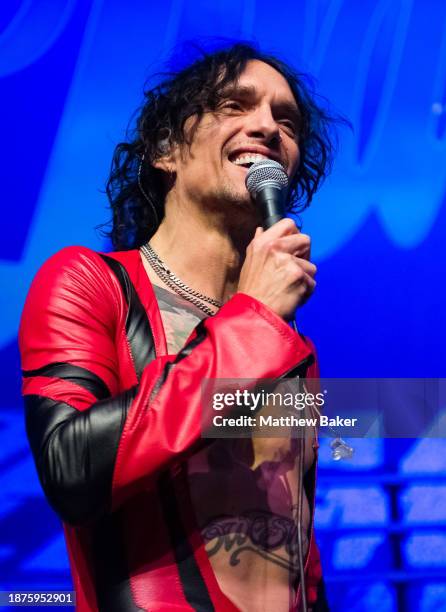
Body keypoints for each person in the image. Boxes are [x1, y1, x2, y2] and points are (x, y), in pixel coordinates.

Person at [19, 43, 336, 611]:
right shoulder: (88, 284)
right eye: (235, 106)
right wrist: (255, 321)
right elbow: (71, 471)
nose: (266, 126)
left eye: (285, 120)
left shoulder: (292, 347)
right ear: (166, 149)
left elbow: (296, 542)